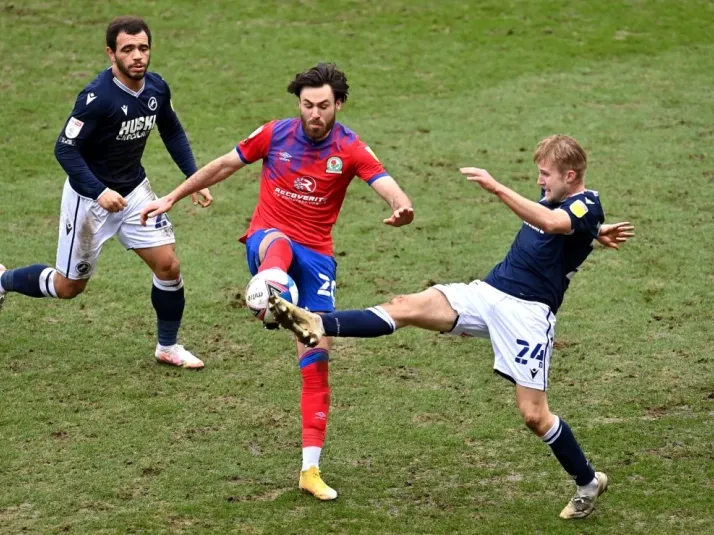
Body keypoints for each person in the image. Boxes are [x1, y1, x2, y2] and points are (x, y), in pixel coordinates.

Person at [269, 135, 635, 519]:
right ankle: (315, 322)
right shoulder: (564, 201)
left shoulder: (585, 203)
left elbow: (552, 222)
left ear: (571, 175)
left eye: (546, 175)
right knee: (405, 306)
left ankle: (588, 480)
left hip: (528, 315)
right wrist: (594, 233)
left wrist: (497, 187)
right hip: (488, 293)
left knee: (534, 415)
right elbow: (563, 223)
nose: (540, 181)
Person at [139, 63, 414, 500]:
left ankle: (309, 469)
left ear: (338, 104)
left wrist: (402, 207)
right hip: (268, 241)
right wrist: (174, 194)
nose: (315, 114)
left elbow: (388, 185)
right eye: (307, 105)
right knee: (278, 246)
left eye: (324, 106)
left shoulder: (351, 148)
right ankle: (270, 292)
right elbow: (223, 165)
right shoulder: (275, 134)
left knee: (317, 353)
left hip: (317, 259)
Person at [0, 17, 211, 369]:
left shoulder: (157, 89)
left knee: (169, 265)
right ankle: (3, 279)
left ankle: (168, 346)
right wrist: (99, 192)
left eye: (143, 47)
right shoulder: (96, 98)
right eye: (128, 49)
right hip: (89, 201)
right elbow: (65, 149)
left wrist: (195, 178)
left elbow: (172, 132)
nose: (137, 56)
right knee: (69, 287)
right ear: (111, 53)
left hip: (135, 194)